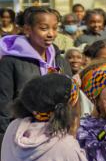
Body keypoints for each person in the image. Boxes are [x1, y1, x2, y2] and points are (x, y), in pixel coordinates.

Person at [0, 7, 70, 144]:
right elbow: (3, 105)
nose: (51, 34)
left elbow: (70, 98)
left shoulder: (59, 60)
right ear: (27, 29)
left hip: (57, 134)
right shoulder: (10, 62)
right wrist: (6, 140)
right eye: (44, 28)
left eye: (55, 28)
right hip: (21, 136)